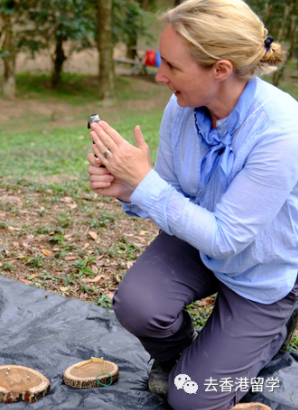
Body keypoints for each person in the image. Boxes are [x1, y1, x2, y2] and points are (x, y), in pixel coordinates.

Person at [86, 0, 298, 409]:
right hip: (200, 240)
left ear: (220, 69)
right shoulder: (182, 107)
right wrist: (128, 187)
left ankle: (277, 323)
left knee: (192, 400)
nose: (160, 76)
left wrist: (145, 184)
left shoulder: (283, 132)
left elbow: (226, 238)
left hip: (259, 270)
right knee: (137, 305)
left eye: (172, 66)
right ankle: (181, 358)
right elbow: (168, 192)